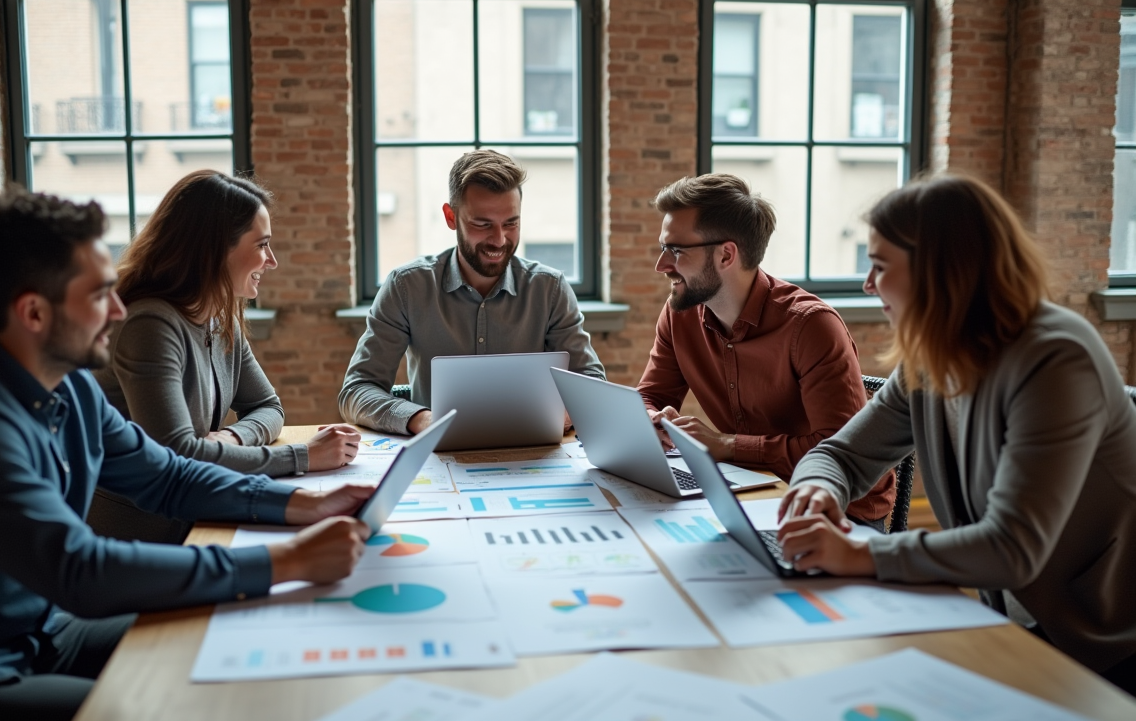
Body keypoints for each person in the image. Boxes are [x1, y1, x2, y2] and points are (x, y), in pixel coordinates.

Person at [0, 189, 373, 721]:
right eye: (98, 295)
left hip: (49, 630)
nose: (119, 310)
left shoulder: (62, 382)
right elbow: (80, 570)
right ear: (34, 313)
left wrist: (300, 505)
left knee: (228, 644)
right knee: (149, 716)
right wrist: (284, 563)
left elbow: (166, 475)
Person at [777, 173, 1136, 694]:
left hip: (1101, 642)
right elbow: (842, 454)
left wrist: (860, 555)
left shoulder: (1057, 358)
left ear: (938, 271)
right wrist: (819, 486)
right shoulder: (932, 353)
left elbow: (1012, 548)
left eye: (879, 266)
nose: (867, 285)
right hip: (1019, 622)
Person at [636, 174, 894, 529]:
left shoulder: (811, 326)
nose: (662, 265)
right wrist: (652, 420)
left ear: (726, 255)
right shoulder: (680, 313)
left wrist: (728, 444)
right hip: (752, 491)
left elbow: (837, 451)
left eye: (676, 251)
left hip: (839, 508)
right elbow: (650, 394)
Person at [95, 170, 360, 478]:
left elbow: (268, 407)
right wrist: (303, 456)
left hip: (197, 504)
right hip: (143, 522)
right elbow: (177, 455)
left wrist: (232, 437)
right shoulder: (149, 325)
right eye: (261, 245)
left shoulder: (219, 316)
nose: (272, 260)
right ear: (217, 250)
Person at [339, 149, 605, 434]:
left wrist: (563, 414)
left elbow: (590, 381)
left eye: (511, 223)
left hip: (532, 453)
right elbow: (357, 390)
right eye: (482, 224)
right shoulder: (406, 287)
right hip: (438, 458)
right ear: (451, 217)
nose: (499, 240)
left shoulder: (549, 289)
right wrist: (424, 420)